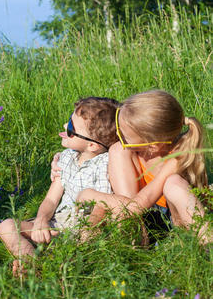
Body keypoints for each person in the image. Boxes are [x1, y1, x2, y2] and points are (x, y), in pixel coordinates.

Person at [0, 97, 121, 274]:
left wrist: (82, 232)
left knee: (85, 240)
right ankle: (32, 262)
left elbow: (101, 208)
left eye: (71, 127)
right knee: (6, 226)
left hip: (85, 226)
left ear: (92, 145)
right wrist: (41, 220)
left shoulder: (104, 165)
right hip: (57, 224)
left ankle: (55, 263)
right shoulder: (66, 158)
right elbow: (51, 199)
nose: (65, 126)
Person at [70, 90, 210, 244]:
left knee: (173, 183)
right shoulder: (134, 149)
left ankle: (206, 241)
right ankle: (133, 232)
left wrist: (94, 195)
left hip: (172, 220)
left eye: (125, 137)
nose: (119, 137)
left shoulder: (177, 157)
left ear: (153, 146)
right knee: (117, 150)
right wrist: (59, 160)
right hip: (140, 212)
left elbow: (137, 206)